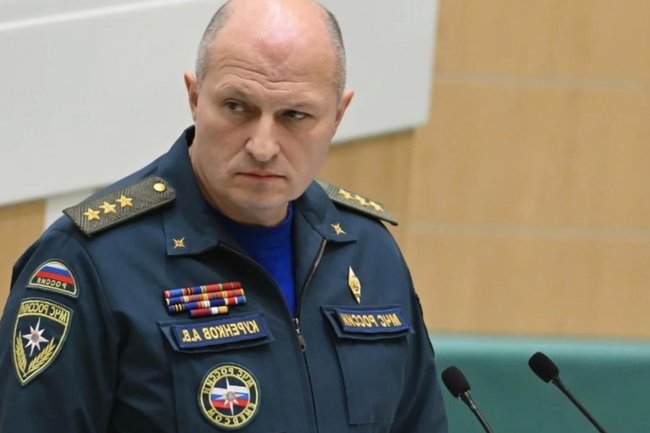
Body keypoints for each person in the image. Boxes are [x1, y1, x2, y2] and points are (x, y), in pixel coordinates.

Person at [0, 0, 448, 431]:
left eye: (295, 115)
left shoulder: (369, 251)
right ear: (195, 97)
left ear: (338, 116)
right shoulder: (89, 263)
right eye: (237, 107)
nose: (263, 146)